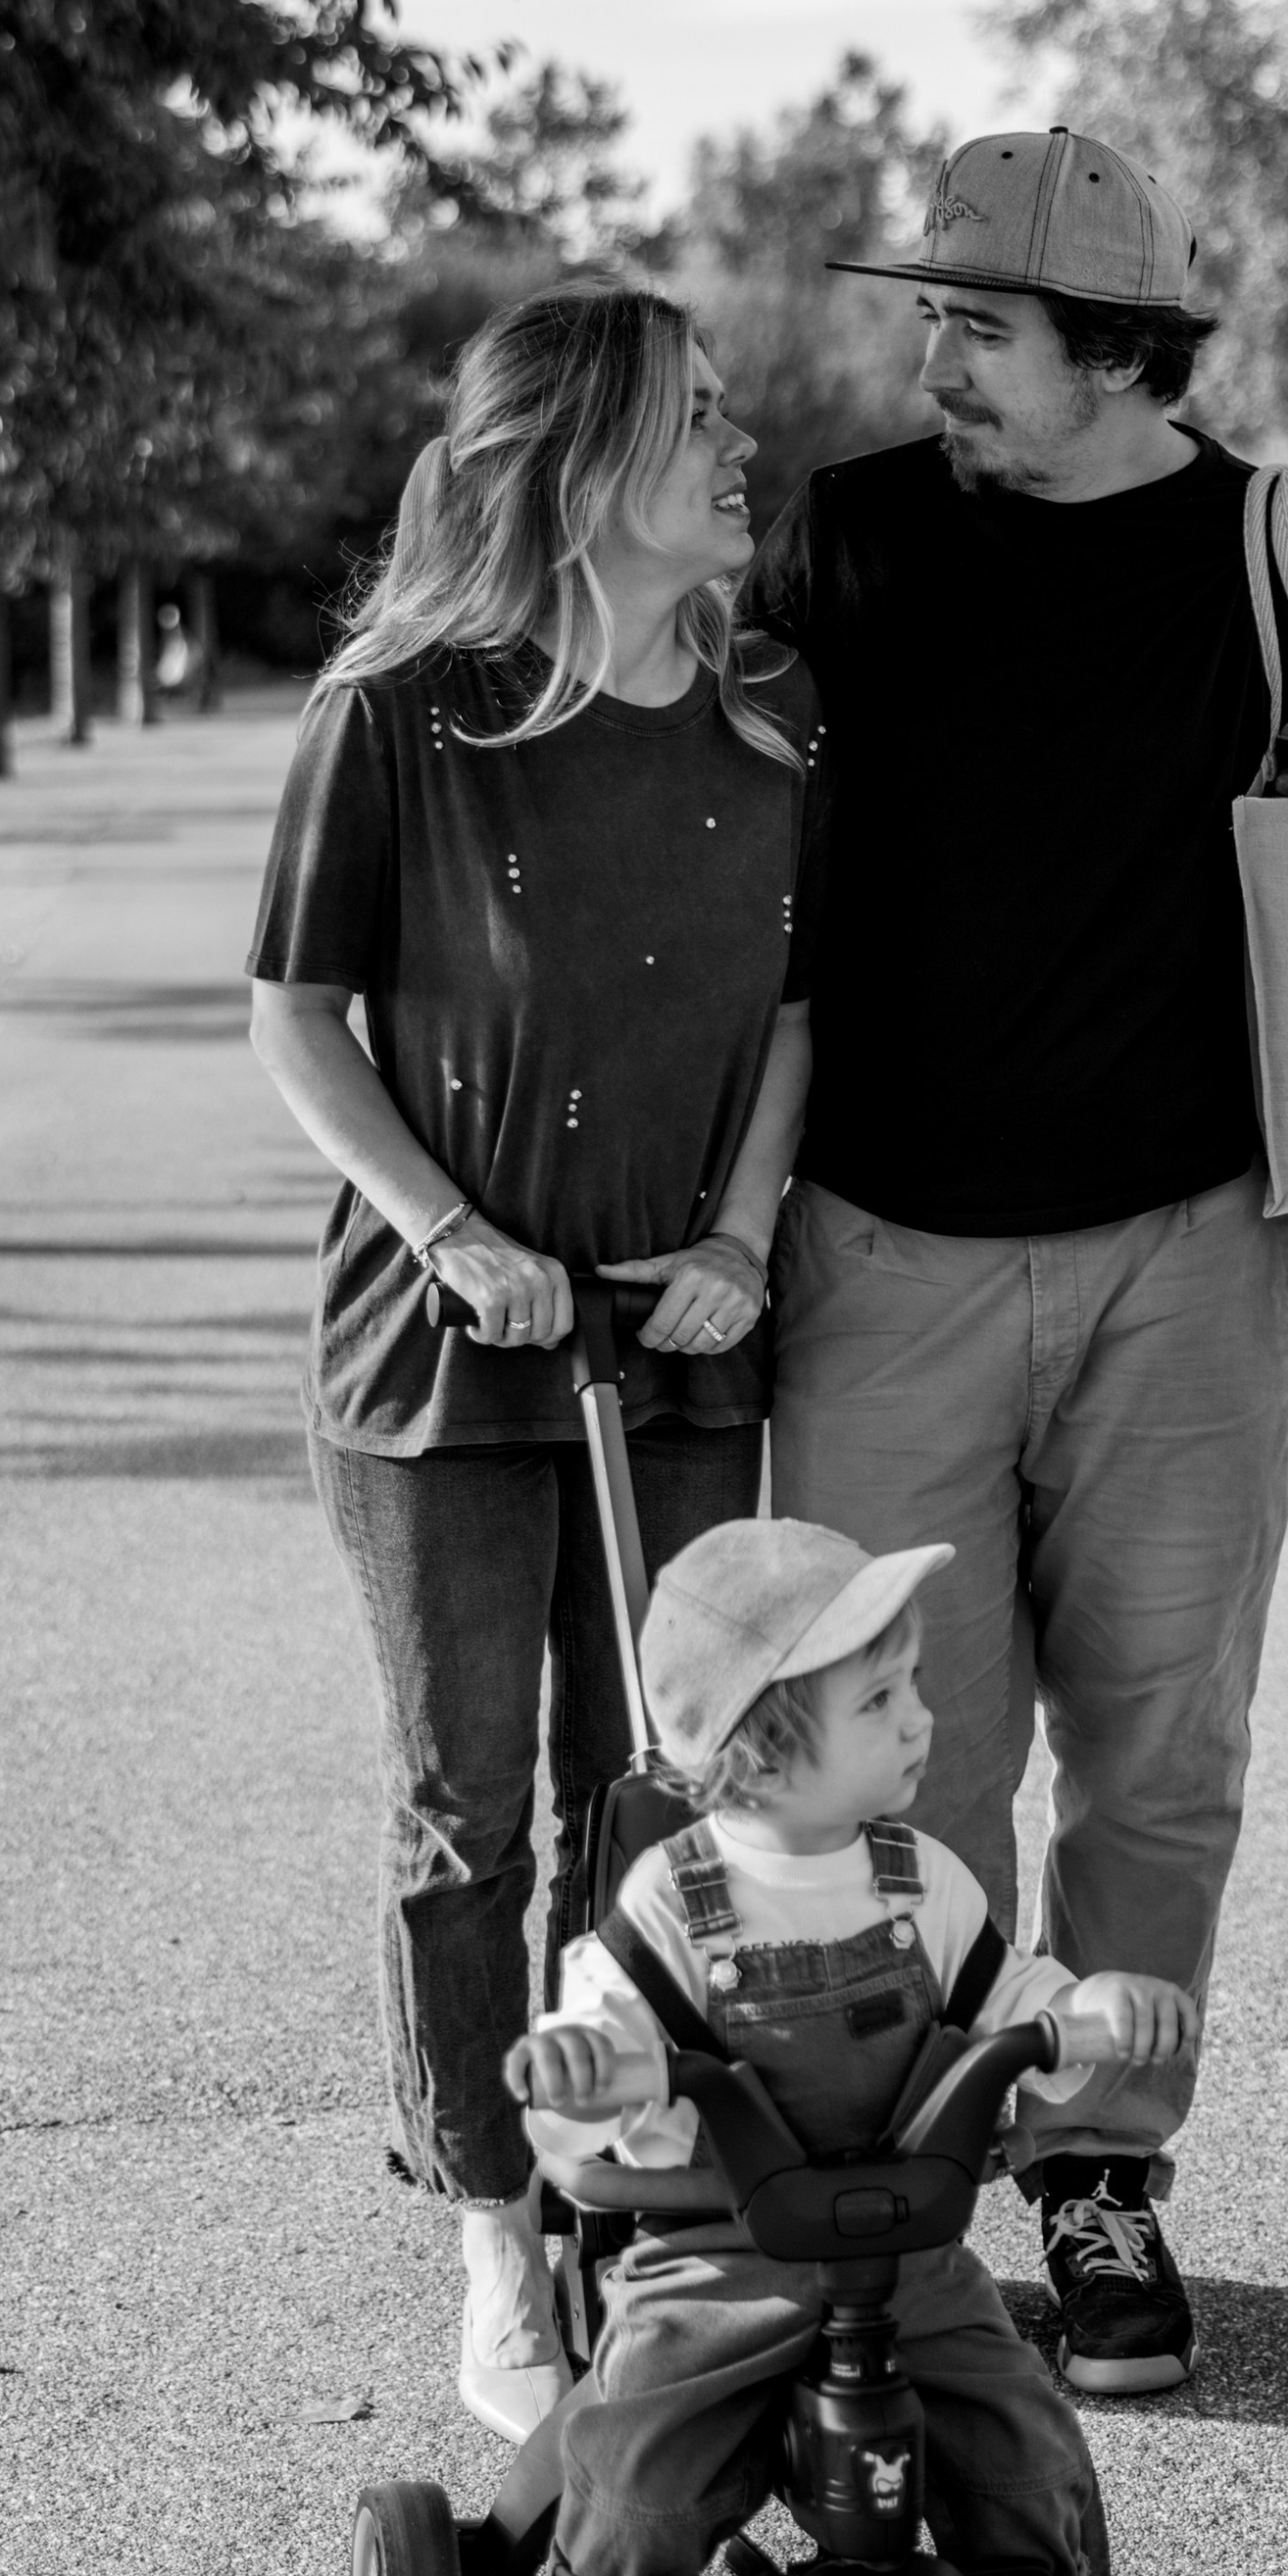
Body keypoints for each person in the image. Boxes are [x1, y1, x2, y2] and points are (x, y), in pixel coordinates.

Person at [745, 124, 1288, 2400]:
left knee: (1157, 1752)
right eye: (930, 322)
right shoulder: (844, 532)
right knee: (897, 1773)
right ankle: (890, 2217)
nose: (934, 367)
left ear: (1114, 350)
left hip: (1191, 1261)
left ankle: (1097, 2173)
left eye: (976, 329)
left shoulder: (1284, 546)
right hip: (876, 1255)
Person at [246, 282, 831, 2440]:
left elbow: (791, 1015)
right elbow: (298, 1016)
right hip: (447, 1346)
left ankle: (623, 2172)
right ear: (578, 462)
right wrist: (453, 1229)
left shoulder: (773, 712)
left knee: (652, 1784)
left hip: (676, 1330)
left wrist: (746, 1235)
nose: (735, 444)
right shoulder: (402, 709)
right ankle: (494, 2213)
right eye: (693, 418)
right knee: (463, 1794)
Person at [501, 1515, 1194, 2576]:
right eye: (878, 1698)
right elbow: (614, 2035)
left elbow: (1014, 2001)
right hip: (718, 2260)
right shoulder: (674, 1901)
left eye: (914, 1684)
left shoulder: (916, 1879)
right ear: (759, 1743)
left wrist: (1088, 2008)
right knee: (637, 2468)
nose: (921, 1720)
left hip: (907, 2254)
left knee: (1015, 2439)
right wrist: (593, 2064)